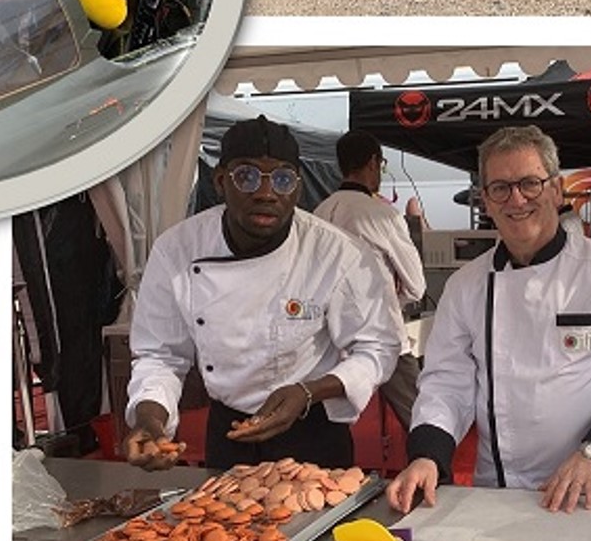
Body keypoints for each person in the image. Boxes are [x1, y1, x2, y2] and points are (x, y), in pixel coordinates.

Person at [388, 126, 591, 514]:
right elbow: (446, 383)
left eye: (529, 184)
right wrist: (428, 455)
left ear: (555, 189)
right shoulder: (466, 287)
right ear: (485, 199)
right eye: (500, 188)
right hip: (499, 492)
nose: (516, 199)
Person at [124, 117, 401, 471]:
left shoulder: (335, 253)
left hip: (313, 432)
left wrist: (309, 391)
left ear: (298, 189)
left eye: (283, 179)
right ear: (221, 181)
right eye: (247, 176)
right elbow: (159, 356)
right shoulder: (177, 250)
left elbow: (379, 347)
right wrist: (151, 420)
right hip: (229, 431)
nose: (266, 193)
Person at [316, 131, 422, 316]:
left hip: (328, 330)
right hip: (377, 328)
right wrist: (385, 306)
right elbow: (415, 286)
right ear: (373, 162)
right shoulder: (384, 216)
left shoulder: (319, 214)